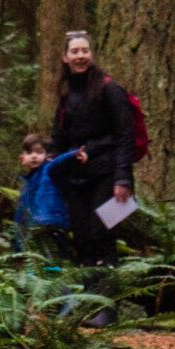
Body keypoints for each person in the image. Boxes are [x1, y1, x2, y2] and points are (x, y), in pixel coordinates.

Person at [46, 32, 137, 271]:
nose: (80, 56)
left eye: (85, 51)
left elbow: (125, 135)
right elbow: (59, 137)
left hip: (109, 174)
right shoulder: (66, 94)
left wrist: (123, 179)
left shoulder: (109, 89)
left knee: (102, 233)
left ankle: (108, 290)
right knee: (82, 236)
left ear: (92, 54)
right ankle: (90, 289)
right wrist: (49, 163)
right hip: (77, 177)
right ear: (65, 57)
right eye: (75, 52)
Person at [15, 132, 70, 260]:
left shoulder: (49, 170)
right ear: (22, 159)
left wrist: (73, 154)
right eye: (29, 153)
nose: (34, 156)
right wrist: (17, 249)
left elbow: (60, 162)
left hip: (53, 226)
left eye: (39, 152)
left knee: (54, 261)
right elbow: (19, 218)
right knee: (37, 262)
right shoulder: (25, 187)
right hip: (33, 230)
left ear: (47, 155)